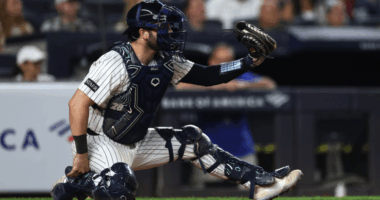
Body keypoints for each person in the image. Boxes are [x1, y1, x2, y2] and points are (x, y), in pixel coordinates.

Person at [50, 1, 302, 200]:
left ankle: (262, 183)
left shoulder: (166, 60)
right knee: (118, 189)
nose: (170, 31)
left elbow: (207, 76)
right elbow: (77, 104)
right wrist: (81, 155)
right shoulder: (114, 61)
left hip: (133, 141)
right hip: (99, 141)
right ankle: (82, 180)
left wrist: (247, 62)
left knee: (193, 141)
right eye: (162, 26)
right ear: (142, 32)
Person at [177, 43, 276, 189]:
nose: (224, 64)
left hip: (242, 149)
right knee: (202, 194)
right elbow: (180, 87)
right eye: (219, 60)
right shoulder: (204, 75)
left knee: (253, 191)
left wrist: (242, 85)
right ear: (211, 62)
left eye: (228, 60)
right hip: (208, 151)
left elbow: (269, 84)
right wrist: (213, 87)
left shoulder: (239, 75)